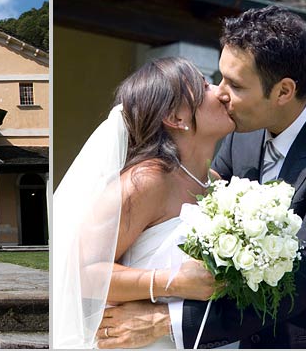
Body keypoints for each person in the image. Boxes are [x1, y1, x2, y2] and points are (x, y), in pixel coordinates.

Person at [97, 6, 306, 349]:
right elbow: (199, 215)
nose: (221, 93)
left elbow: (300, 283)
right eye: (219, 76)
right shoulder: (242, 132)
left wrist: (165, 321)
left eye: (235, 84)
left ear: (284, 91)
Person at [53, 57, 236, 348]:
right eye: (204, 87)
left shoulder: (218, 184)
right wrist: (174, 281)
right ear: (176, 117)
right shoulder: (147, 180)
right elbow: (83, 273)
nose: (221, 92)